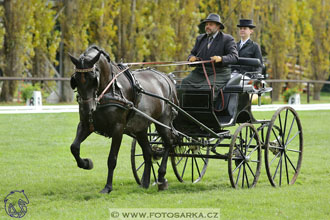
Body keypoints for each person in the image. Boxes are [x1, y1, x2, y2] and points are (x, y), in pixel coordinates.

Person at [181, 13, 238, 92]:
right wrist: (191, 58)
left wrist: (221, 58)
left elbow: (234, 57)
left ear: (218, 27)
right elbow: (192, 53)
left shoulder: (227, 39)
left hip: (220, 73)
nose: (207, 26)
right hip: (201, 72)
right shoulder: (200, 38)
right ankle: (184, 104)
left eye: (210, 24)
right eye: (206, 24)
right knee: (185, 83)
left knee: (206, 88)